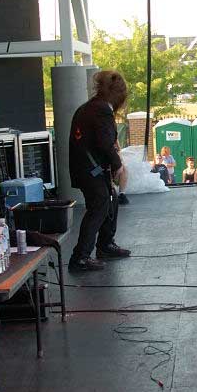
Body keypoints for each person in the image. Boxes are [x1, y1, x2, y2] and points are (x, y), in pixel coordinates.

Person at [68, 70, 131, 272]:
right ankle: (81, 256)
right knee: (100, 206)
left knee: (109, 201)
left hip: (85, 168)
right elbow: (105, 142)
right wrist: (117, 164)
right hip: (92, 170)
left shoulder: (88, 107)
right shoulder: (102, 110)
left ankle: (105, 245)